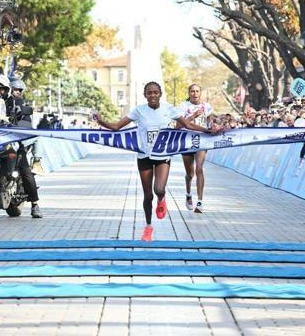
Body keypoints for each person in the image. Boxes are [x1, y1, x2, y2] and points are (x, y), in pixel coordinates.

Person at [94, 81, 223, 241]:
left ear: (160, 94)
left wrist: (208, 131)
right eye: (149, 93)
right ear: (145, 95)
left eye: (156, 92)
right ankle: (148, 227)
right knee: (148, 196)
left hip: (162, 155)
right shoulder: (139, 111)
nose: (153, 95)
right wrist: (101, 122)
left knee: (159, 189)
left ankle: (161, 199)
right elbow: (116, 127)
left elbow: (187, 124)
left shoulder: (168, 109)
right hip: (144, 156)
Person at [3, 79, 42, 218]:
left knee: (25, 171)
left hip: (17, 143)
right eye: (14, 89)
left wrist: (21, 117)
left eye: (19, 90)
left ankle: (35, 205)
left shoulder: (23, 105)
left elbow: (28, 125)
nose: (17, 92)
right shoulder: (1, 103)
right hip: (1, 141)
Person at [178, 84, 214, 213]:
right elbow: (177, 126)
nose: (195, 93)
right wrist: (193, 116)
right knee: (190, 174)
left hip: (202, 141)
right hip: (187, 141)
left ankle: (200, 202)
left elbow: (210, 122)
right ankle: (188, 194)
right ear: (189, 93)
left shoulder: (207, 106)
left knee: (199, 168)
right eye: (192, 91)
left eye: (197, 91)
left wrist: (214, 126)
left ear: (200, 93)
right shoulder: (183, 106)